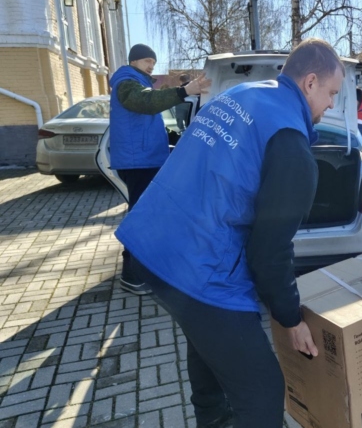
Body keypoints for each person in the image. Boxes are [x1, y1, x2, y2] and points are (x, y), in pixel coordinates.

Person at [114, 38, 345, 428]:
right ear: (310, 82)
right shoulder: (290, 144)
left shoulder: (240, 95)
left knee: (209, 345)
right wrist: (290, 319)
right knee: (263, 392)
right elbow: (269, 253)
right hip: (199, 267)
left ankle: (212, 420)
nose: (332, 105)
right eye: (332, 93)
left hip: (151, 246)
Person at [109, 43, 211, 296]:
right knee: (142, 219)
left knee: (147, 217)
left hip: (144, 160)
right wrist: (184, 91)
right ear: (134, 61)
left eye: (153, 63)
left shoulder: (136, 82)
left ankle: (144, 270)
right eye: (147, 61)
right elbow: (146, 102)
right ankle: (132, 275)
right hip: (138, 162)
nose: (151, 66)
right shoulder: (126, 82)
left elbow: (146, 118)